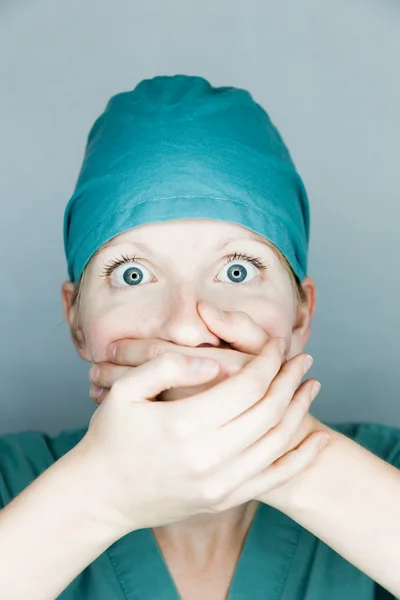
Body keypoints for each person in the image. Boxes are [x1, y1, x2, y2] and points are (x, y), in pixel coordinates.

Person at [0, 75, 399, 600]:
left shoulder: (387, 466)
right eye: (133, 274)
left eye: (237, 271)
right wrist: (103, 493)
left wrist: (287, 454)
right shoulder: (13, 483)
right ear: (76, 319)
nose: (186, 328)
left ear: (301, 314)